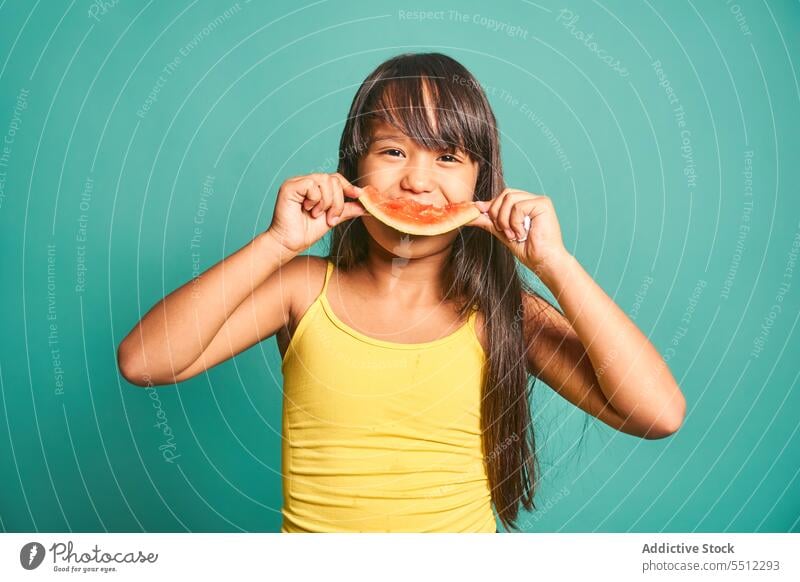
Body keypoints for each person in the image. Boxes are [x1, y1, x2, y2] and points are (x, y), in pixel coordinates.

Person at [117, 52, 686, 533]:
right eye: (392, 151)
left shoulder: (503, 316)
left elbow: (659, 415)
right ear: (352, 169)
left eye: (447, 157)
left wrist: (556, 264)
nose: (416, 180)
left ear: (480, 187)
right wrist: (276, 243)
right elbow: (145, 361)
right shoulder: (302, 289)